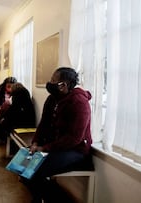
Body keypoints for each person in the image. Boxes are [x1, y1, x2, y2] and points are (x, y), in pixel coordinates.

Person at [24, 67, 93, 202]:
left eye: (53, 80)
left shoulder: (79, 103)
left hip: (75, 151)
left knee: (35, 171)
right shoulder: (52, 99)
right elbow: (43, 124)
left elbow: (73, 139)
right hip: (54, 146)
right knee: (22, 166)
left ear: (63, 85)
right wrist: (35, 143)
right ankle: (39, 198)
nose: (50, 83)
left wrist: (44, 148)